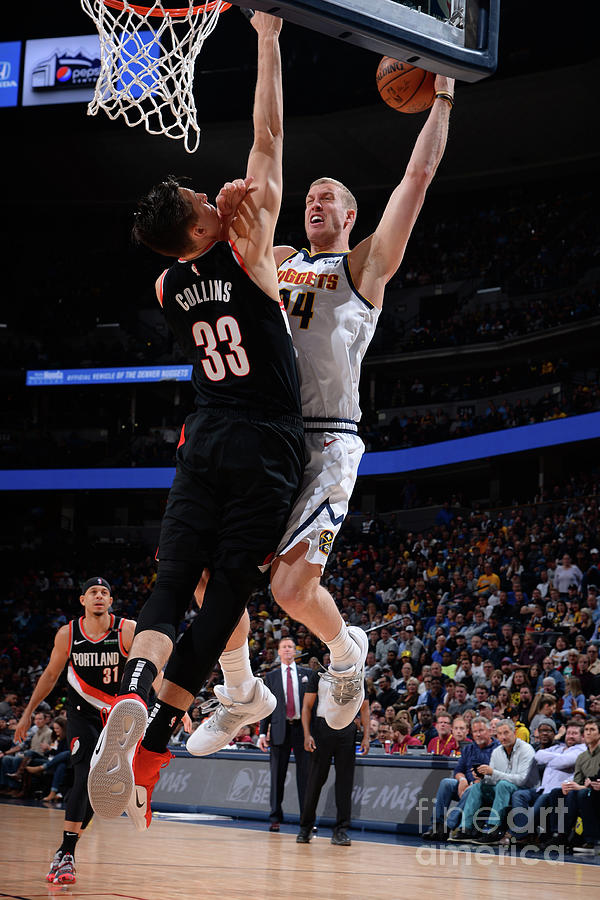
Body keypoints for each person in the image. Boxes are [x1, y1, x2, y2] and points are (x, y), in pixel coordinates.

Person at [190, 60, 455, 753]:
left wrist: (444, 100)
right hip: (265, 432)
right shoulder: (277, 260)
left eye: (329, 196)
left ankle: (346, 654)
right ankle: (240, 691)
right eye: (309, 194)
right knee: (207, 579)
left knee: (290, 592)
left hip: (330, 441)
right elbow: (266, 143)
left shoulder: (364, 267)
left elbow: (415, 181)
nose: (315, 201)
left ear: (349, 216)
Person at [87, 12, 306, 828]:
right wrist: (268, 35)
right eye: (193, 195)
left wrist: (226, 218)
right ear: (202, 224)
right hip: (266, 444)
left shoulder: (165, 288)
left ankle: (137, 702)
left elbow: (193, 235)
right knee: (224, 605)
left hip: (202, 438)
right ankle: (148, 749)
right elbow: (270, 133)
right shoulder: (247, 244)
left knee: (172, 585)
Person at [13, 578, 135, 885]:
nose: (99, 596)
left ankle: (66, 850)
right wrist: (27, 713)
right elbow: (51, 675)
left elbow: (151, 670)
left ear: (111, 601)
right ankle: (67, 854)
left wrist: (178, 707)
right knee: (84, 775)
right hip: (82, 715)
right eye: (93, 592)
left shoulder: (127, 630)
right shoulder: (68, 633)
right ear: (82, 599)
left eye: (104, 592)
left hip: (117, 716)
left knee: (98, 786)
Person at [296, 671, 369, 846]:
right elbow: (306, 706)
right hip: (323, 728)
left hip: (348, 730)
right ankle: (305, 829)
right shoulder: (319, 675)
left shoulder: (358, 676)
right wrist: (307, 734)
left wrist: (366, 736)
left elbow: (364, 708)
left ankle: (341, 831)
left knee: (345, 782)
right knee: (315, 780)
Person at [257, 637, 313, 831]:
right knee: (277, 776)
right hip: (279, 729)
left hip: (302, 730)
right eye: (284, 647)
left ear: (295, 651)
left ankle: (307, 819)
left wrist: (314, 733)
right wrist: (262, 733)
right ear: (279, 652)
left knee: (305, 776)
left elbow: (313, 706)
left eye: (290, 647)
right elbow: (266, 707)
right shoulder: (270, 677)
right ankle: (275, 818)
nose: (288, 650)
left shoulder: (308, 674)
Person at [455, 718, 537, 843]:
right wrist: (483, 777)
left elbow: (522, 780)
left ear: (514, 732)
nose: (503, 737)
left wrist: (493, 773)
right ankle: (466, 828)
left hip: (525, 788)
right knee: (477, 787)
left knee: (503, 785)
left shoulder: (526, 749)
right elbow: (492, 779)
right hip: (502, 788)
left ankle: (494, 828)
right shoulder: (497, 752)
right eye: (499, 734)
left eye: (506, 733)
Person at [422, 716, 498, 841]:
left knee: (471, 789)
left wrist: (475, 782)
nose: (478, 734)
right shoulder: (469, 748)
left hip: (485, 788)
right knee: (446, 783)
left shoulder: (497, 749)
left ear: (489, 731)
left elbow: (496, 773)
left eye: (481, 731)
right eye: (475, 732)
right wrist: (462, 780)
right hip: (466, 785)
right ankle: (436, 825)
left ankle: (449, 826)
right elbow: (458, 770)